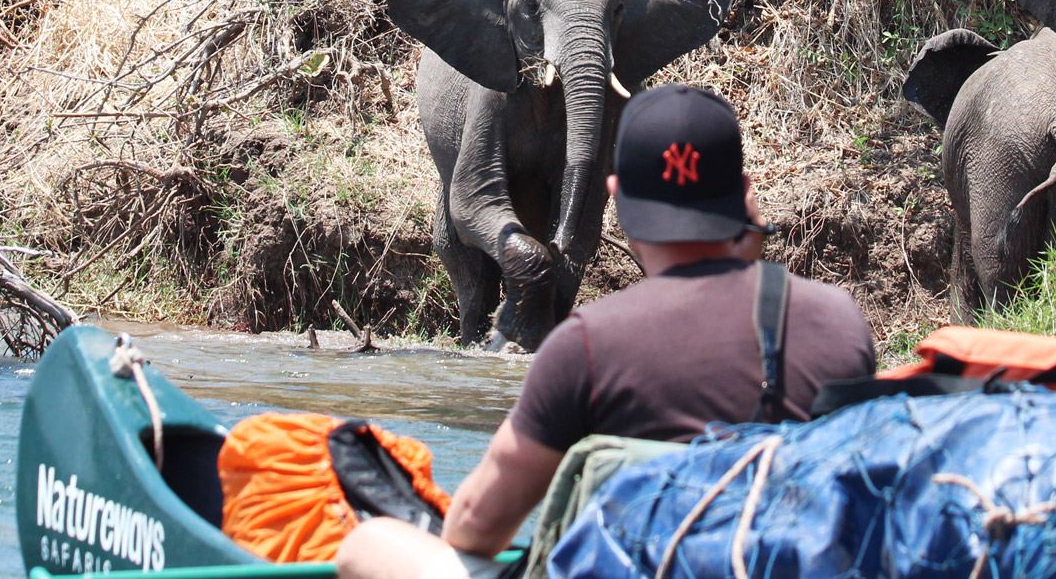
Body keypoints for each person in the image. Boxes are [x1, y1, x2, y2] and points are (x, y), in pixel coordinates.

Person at [336, 84, 875, 579]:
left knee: (373, 544)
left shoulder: (588, 342)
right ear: (743, 195)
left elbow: (476, 525)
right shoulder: (838, 320)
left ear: (614, 196)